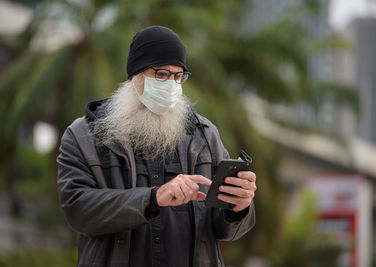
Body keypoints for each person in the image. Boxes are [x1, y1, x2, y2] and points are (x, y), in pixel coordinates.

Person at [57, 25, 256, 267]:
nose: (171, 85)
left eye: (177, 76)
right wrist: (152, 198)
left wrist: (238, 207)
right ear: (136, 76)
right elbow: (78, 210)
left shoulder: (204, 136)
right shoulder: (82, 136)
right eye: (161, 74)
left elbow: (225, 230)